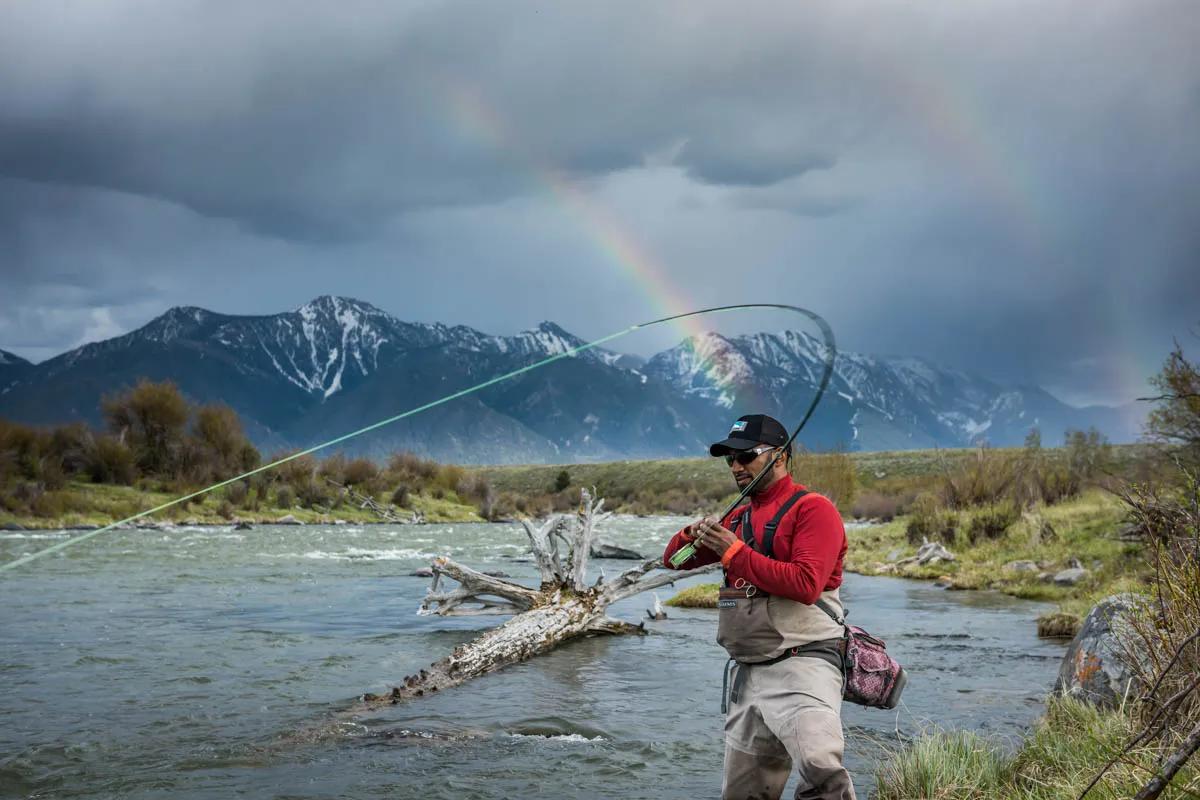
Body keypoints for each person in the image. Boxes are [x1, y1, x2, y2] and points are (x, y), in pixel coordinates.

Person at [662, 414, 855, 800]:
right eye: (729, 459)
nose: (736, 466)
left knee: (822, 773)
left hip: (805, 666)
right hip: (749, 674)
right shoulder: (738, 516)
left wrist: (733, 552)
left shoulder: (814, 510)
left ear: (779, 456)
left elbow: (806, 584)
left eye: (746, 456)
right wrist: (690, 534)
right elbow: (673, 560)